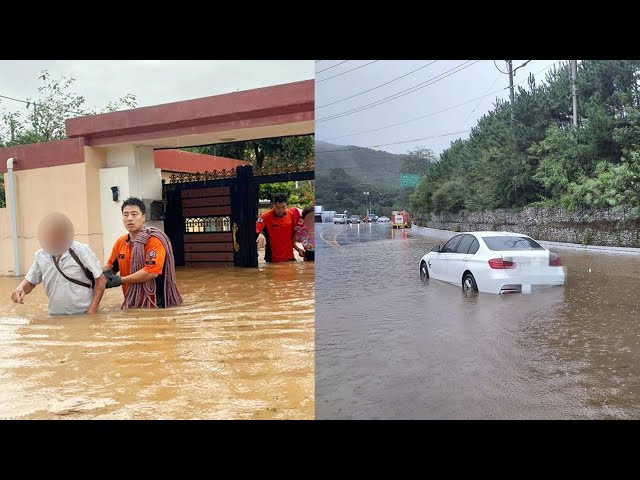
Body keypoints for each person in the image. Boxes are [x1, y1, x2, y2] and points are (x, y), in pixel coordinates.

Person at [10, 212, 106, 316]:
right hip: (55, 317)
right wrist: (20, 288)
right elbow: (31, 281)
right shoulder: (41, 255)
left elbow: (101, 280)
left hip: (83, 314)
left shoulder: (81, 251)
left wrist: (92, 311)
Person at [103, 197, 182, 309]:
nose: (129, 218)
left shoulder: (154, 241)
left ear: (143, 217)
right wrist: (92, 273)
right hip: (132, 302)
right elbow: (111, 267)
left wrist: (121, 280)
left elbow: (151, 272)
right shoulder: (120, 242)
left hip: (156, 304)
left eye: (134, 214)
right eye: (125, 214)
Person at [256, 193, 299, 263]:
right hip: (273, 259)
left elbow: (294, 233)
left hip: (289, 257)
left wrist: (298, 249)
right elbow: (255, 227)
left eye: (283, 207)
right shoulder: (265, 216)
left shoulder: (290, 214)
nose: (281, 210)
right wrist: (260, 233)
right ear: (273, 205)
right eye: (278, 207)